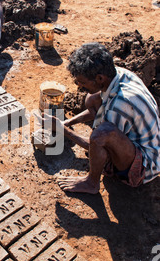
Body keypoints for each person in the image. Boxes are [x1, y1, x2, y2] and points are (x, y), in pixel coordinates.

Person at [42, 42, 160, 194]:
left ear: (99, 78)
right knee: (92, 98)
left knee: (100, 134)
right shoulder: (119, 74)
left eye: (83, 82)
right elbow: (98, 104)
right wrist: (67, 122)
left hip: (144, 167)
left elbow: (96, 143)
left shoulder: (120, 104)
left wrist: (63, 130)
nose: (79, 86)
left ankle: (91, 183)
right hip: (142, 142)